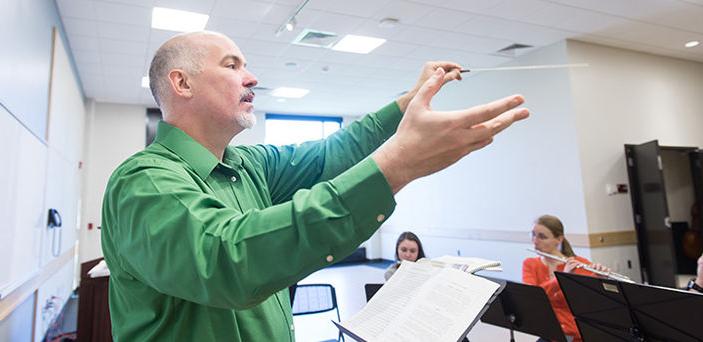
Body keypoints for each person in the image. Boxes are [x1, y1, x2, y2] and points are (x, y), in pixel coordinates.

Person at [101, 30, 529, 341]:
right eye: (232, 65)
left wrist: (408, 102)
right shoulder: (143, 182)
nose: (251, 78)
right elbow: (227, 259)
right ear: (182, 82)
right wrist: (399, 164)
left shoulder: (249, 165)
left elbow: (334, 153)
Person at [523, 215, 609, 342]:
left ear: (559, 239)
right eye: (533, 235)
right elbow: (533, 297)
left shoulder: (579, 263)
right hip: (549, 331)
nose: (535, 241)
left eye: (542, 237)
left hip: (575, 334)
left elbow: (593, 301)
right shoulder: (530, 264)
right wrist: (561, 278)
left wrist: (599, 279)